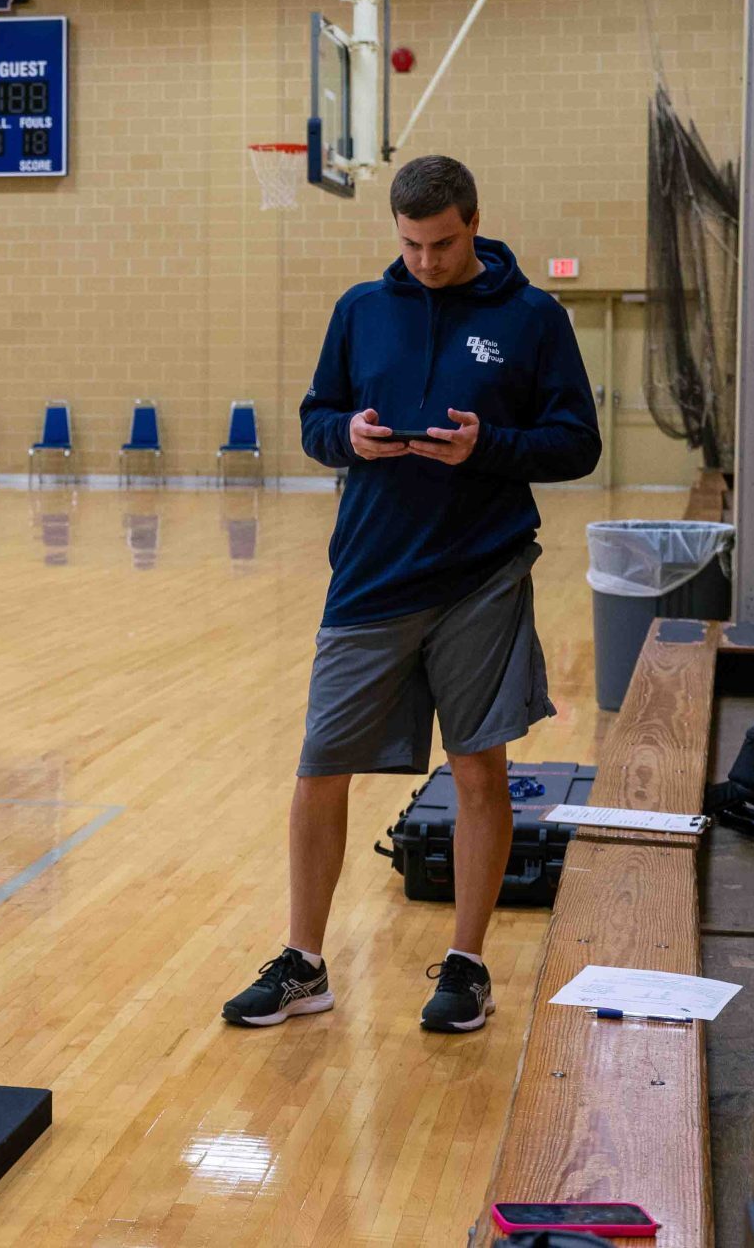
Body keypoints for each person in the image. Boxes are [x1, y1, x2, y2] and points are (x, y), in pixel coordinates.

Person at [222, 155, 600, 1033]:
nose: (425, 260)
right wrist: (344, 433)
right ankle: (303, 963)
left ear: (473, 221)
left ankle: (467, 966)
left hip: (482, 575)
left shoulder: (533, 317)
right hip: (369, 576)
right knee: (319, 770)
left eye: (440, 242)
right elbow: (317, 417)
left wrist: (491, 445)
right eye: (410, 244)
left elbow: (576, 443)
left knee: (479, 772)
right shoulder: (361, 310)